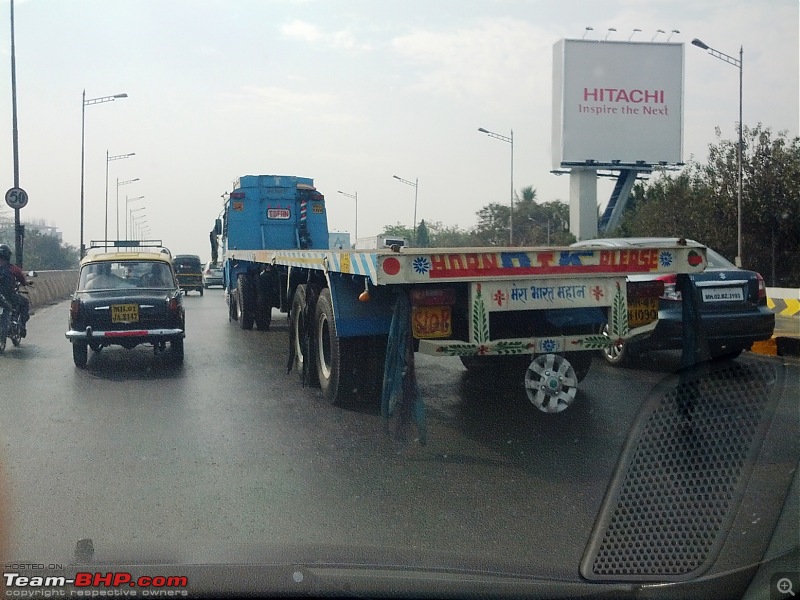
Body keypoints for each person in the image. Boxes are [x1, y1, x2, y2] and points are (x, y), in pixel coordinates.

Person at [0, 244, 31, 337]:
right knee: (25, 303)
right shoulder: (12, 268)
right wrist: (26, 283)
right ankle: (22, 327)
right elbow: (22, 279)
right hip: (9, 295)